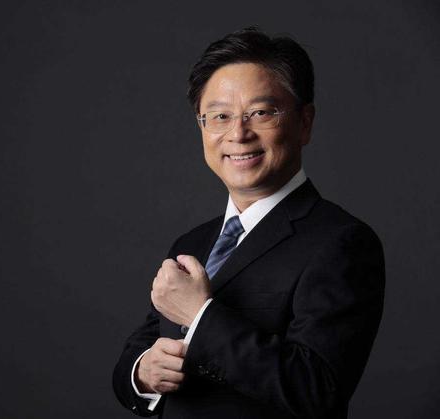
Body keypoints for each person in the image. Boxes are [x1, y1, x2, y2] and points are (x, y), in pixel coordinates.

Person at [112, 27, 385, 419]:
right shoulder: (192, 244)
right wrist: (143, 374)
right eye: (220, 116)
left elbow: (318, 390)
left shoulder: (342, 242)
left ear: (304, 122)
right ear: (202, 127)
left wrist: (200, 315)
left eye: (260, 113)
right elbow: (133, 360)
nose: (238, 134)